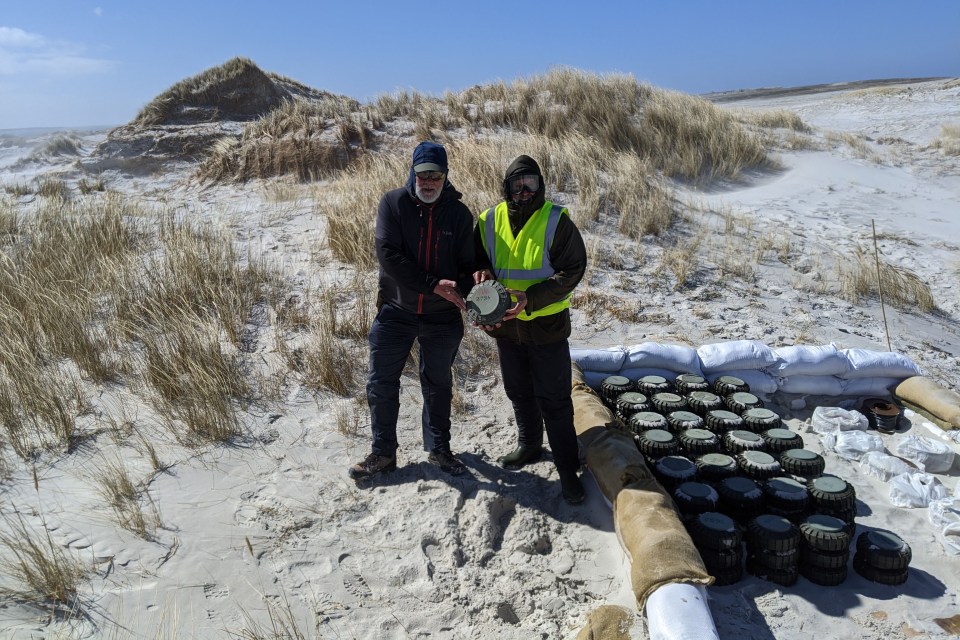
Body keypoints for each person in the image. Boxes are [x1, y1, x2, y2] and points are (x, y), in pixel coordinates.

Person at [349, 141, 476, 480]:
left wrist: (475, 285)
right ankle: (383, 453)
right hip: (395, 311)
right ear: (412, 173)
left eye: (435, 174)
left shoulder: (460, 215)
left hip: (442, 317)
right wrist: (434, 285)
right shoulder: (393, 203)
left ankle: (439, 450)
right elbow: (389, 257)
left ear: (445, 176)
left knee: (438, 384)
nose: (429, 181)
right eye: (423, 174)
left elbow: (467, 266)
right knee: (381, 383)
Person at [472, 155, 588, 504]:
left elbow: (573, 269)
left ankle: (568, 470)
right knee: (518, 391)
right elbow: (474, 260)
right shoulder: (488, 219)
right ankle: (530, 446)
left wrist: (532, 297)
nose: (523, 190)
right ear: (505, 187)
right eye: (516, 184)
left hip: (546, 327)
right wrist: (480, 275)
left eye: (530, 183)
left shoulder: (556, 220)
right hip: (507, 330)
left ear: (540, 184)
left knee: (555, 401)